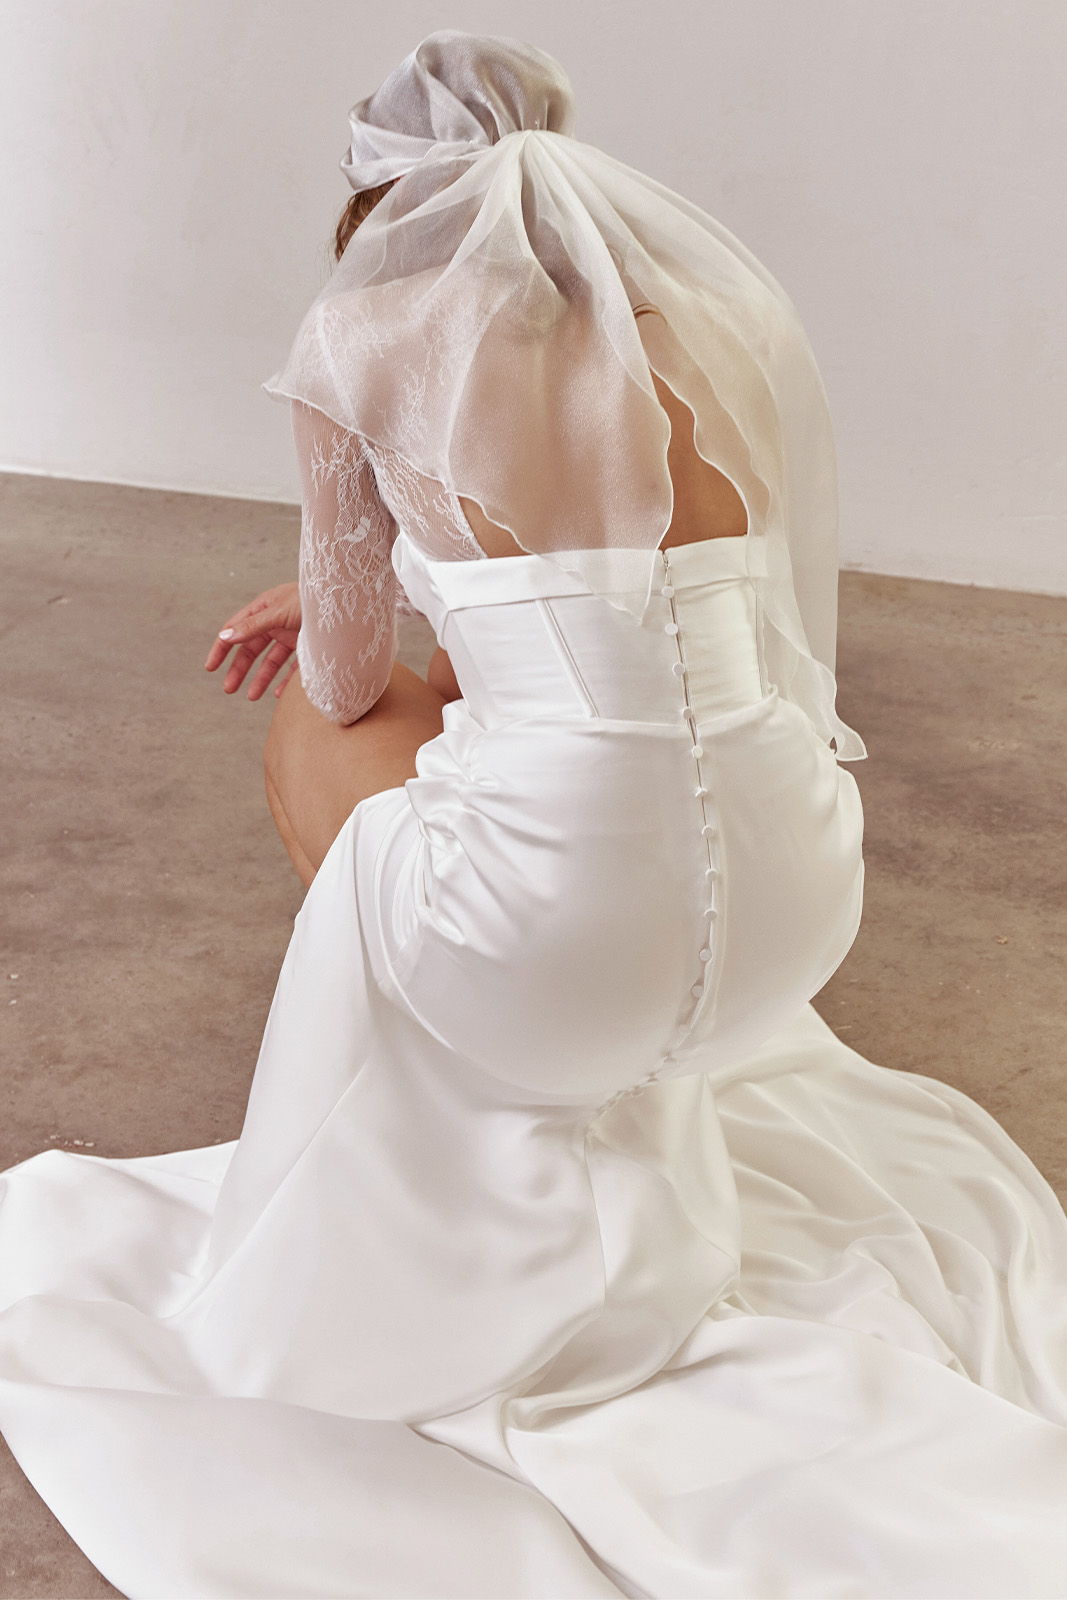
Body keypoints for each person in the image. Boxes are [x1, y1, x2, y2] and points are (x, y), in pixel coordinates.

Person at [3, 28, 1067, 1600]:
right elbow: (646, 606)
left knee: (325, 713)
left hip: (565, 939)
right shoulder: (690, 321)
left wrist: (326, 598)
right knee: (537, 747)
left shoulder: (361, 336)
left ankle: (464, 1184)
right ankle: (574, 1098)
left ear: (377, 201)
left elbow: (362, 665)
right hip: (793, 894)